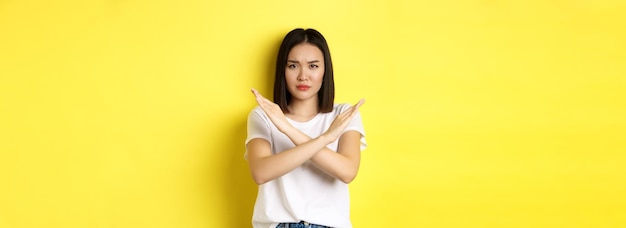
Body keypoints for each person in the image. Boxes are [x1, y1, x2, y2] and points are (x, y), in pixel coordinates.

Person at [245, 28, 367, 228]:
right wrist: (325, 139)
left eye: (313, 66)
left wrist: (289, 130)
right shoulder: (264, 116)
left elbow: (347, 171)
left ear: (324, 70)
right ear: (282, 71)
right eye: (293, 66)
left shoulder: (343, 114)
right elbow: (260, 172)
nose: (303, 76)